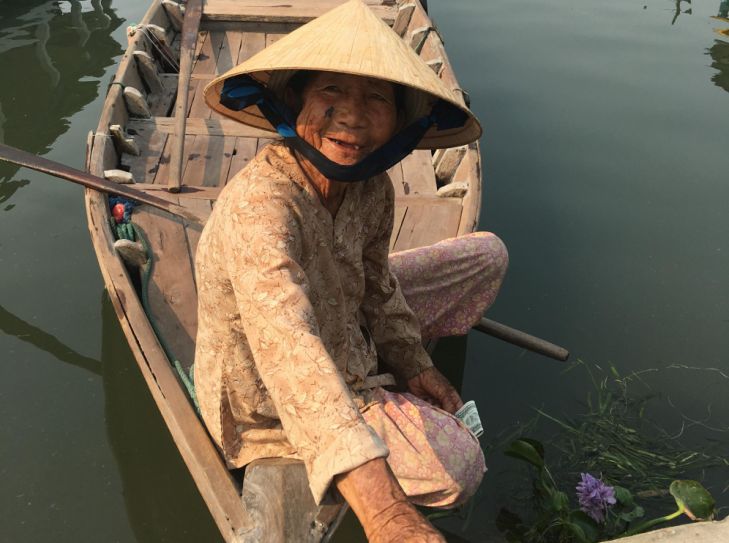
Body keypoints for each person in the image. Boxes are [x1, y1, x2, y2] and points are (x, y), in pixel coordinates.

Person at [195, 1, 508, 541]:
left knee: (486, 256)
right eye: (330, 94)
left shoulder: (371, 187)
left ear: (401, 123)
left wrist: (414, 364)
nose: (352, 118)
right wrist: (386, 515)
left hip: (341, 314)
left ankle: (388, 377)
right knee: (460, 465)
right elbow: (289, 349)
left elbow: (378, 283)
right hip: (272, 394)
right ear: (295, 103)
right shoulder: (262, 204)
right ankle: (343, 439)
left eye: (376, 99)